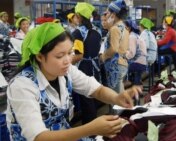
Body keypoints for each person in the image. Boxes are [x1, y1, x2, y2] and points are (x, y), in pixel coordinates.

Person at [6, 22, 142, 141]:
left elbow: (96, 89)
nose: (68, 60)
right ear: (40, 56)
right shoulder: (23, 85)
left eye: (69, 53)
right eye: (60, 56)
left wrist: (116, 97)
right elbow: (39, 137)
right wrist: (90, 129)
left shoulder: (65, 71)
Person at [72, 2, 103, 125]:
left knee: (86, 100)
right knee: (94, 95)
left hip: (84, 68)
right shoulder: (97, 30)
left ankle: (90, 130)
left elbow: (78, 55)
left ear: (78, 16)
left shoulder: (78, 33)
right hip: (96, 67)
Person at [99, 0, 129, 93]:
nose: (106, 14)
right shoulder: (124, 27)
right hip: (122, 63)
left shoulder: (115, 29)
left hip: (115, 66)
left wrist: (103, 57)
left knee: (116, 99)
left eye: (108, 12)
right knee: (120, 95)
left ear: (113, 14)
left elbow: (113, 49)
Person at [125, 20, 147, 85]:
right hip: (142, 63)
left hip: (137, 64)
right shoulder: (136, 35)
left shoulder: (132, 37)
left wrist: (124, 55)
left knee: (119, 68)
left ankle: (120, 90)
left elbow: (131, 54)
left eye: (124, 28)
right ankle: (135, 89)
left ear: (128, 28)